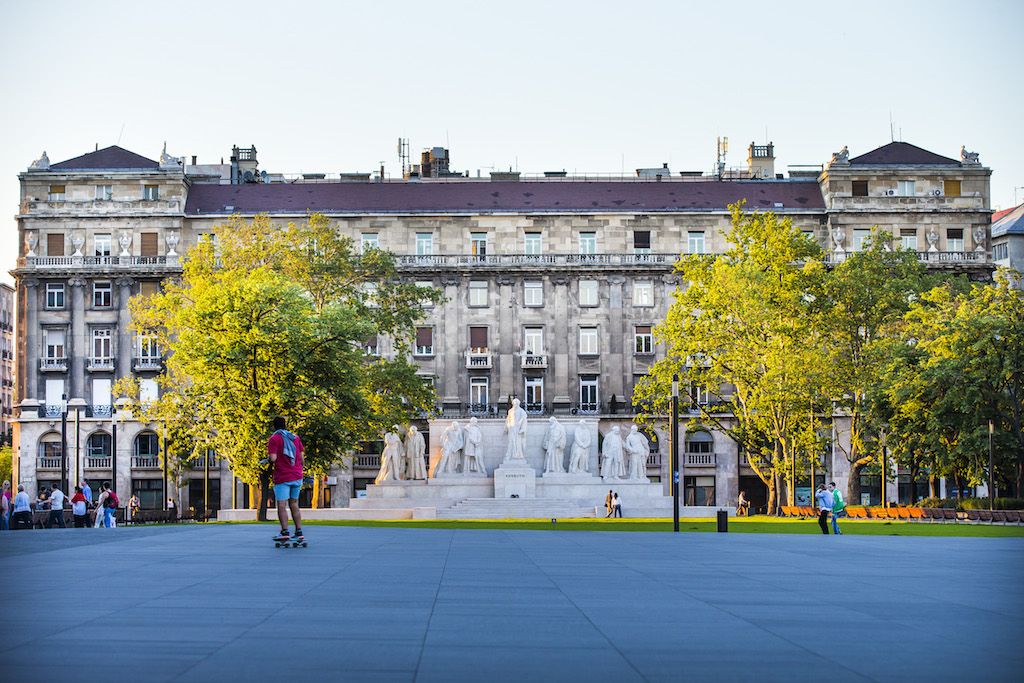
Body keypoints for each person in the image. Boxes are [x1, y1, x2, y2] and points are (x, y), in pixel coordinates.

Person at [268, 415, 305, 544]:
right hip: (297, 475)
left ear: (274, 426)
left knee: (282, 505)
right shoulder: (295, 438)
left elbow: (273, 458)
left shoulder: (274, 439)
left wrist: (268, 460)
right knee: (294, 503)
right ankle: (299, 532)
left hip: (282, 476)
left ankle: (284, 531)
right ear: (285, 425)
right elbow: (301, 458)